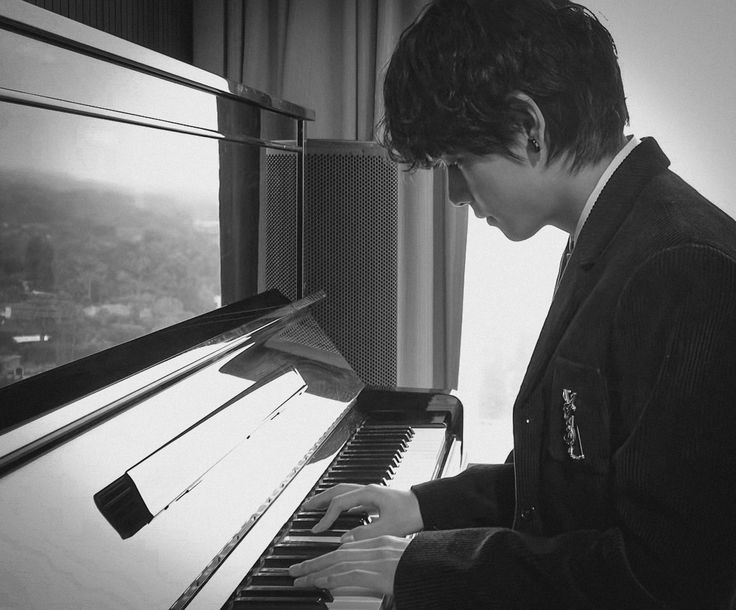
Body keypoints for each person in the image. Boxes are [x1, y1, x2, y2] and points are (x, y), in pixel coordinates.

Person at [289, 0, 736, 607]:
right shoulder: (616, 233)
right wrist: (422, 505)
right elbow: (574, 486)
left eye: (457, 163)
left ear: (530, 128)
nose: (452, 194)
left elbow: (667, 579)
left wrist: (427, 569)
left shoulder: (682, 266)